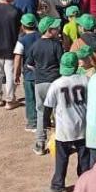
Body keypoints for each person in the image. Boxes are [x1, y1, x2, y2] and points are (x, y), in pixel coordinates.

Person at [46, 52, 91, 192]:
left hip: (64, 128)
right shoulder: (86, 80)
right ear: (77, 64)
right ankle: (84, 184)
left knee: (62, 158)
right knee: (84, 157)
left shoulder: (57, 84)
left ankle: (58, 185)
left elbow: (47, 107)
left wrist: (47, 124)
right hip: (83, 126)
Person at [28, 17, 66, 154]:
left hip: (40, 83)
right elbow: (62, 63)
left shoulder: (35, 45)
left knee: (41, 114)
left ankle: (40, 144)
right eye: (56, 28)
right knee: (58, 113)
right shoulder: (56, 45)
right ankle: (61, 144)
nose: (58, 29)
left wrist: (39, 71)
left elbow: (29, 64)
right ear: (49, 30)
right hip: (54, 82)